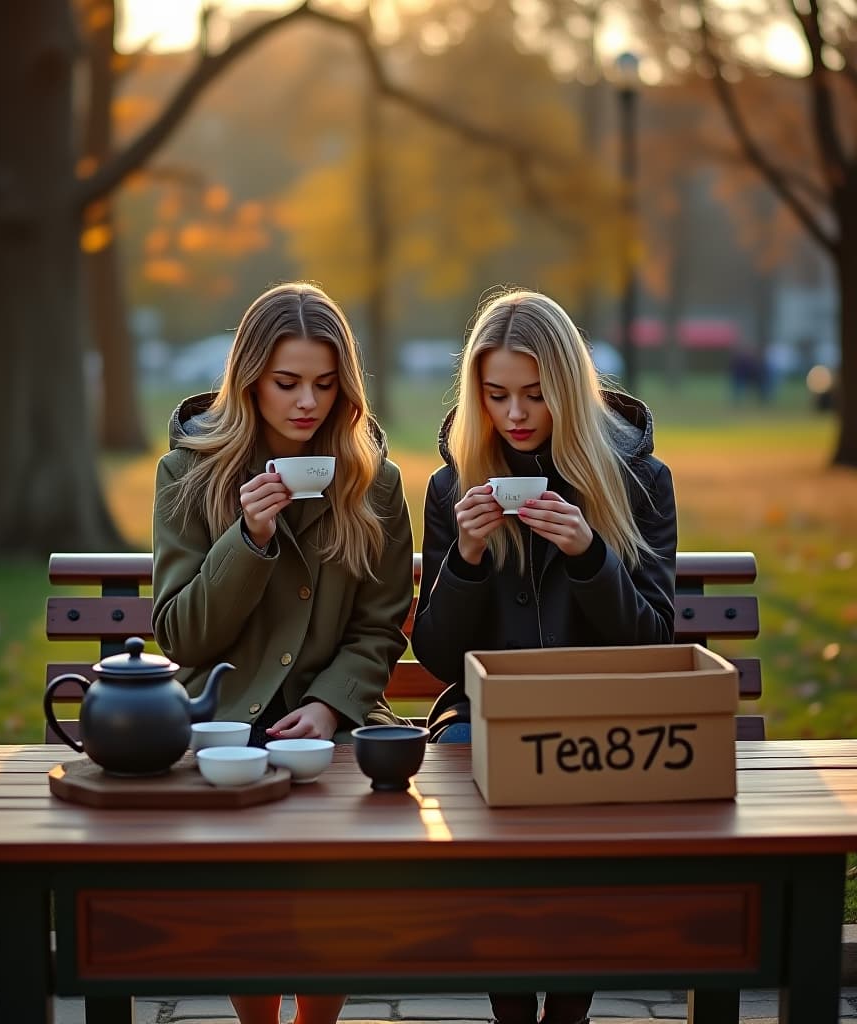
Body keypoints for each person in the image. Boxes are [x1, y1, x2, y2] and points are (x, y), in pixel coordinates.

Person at [412, 288, 678, 1024]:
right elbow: (437, 658)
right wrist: (464, 557)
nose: (516, 415)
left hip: (600, 714)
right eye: (496, 395)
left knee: (584, 802)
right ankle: (512, 1013)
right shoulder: (453, 486)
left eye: (535, 394)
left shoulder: (640, 484)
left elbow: (658, 645)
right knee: (476, 771)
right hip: (482, 717)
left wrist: (590, 553)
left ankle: (566, 1011)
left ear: (568, 387)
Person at [152, 281, 415, 1024]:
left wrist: (332, 706)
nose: (308, 403)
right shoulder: (188, 476)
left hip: (333, 728)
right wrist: (250, 540)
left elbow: (380, 626)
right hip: (225, 729)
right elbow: (181, 633)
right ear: (249, 382)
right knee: (252, 888)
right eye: (287, 383)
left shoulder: (374, 485)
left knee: (338, 878)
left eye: (326, 385)